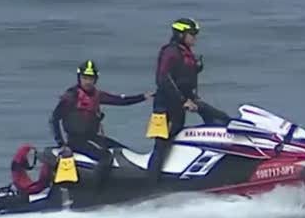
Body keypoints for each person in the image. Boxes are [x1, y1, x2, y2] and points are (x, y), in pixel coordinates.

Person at [146, 18, 231, 183]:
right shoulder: (170, 52)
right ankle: (151, 184)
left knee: (220, 118)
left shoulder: (185, 52)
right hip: (165, 108)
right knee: (162, 146)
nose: (195, 38)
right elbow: (163, 79)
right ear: (181, 35)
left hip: (184, 102)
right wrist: (183, 101)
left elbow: (182, 78)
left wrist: (194, 79)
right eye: (192, 34)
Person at [49, 60, 151, 188]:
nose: (88, 82)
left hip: (93, 138)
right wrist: (62, 144)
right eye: (85, 78)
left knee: (122, 151)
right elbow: (54, 119)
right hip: (76, 140)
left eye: (90, 79)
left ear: (95, 79)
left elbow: (119, 100)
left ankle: (128, 182)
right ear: (79, 78)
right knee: (105, 157)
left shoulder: (97, 95)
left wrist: (142, 97)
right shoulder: (71, 96)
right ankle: (96, 189)